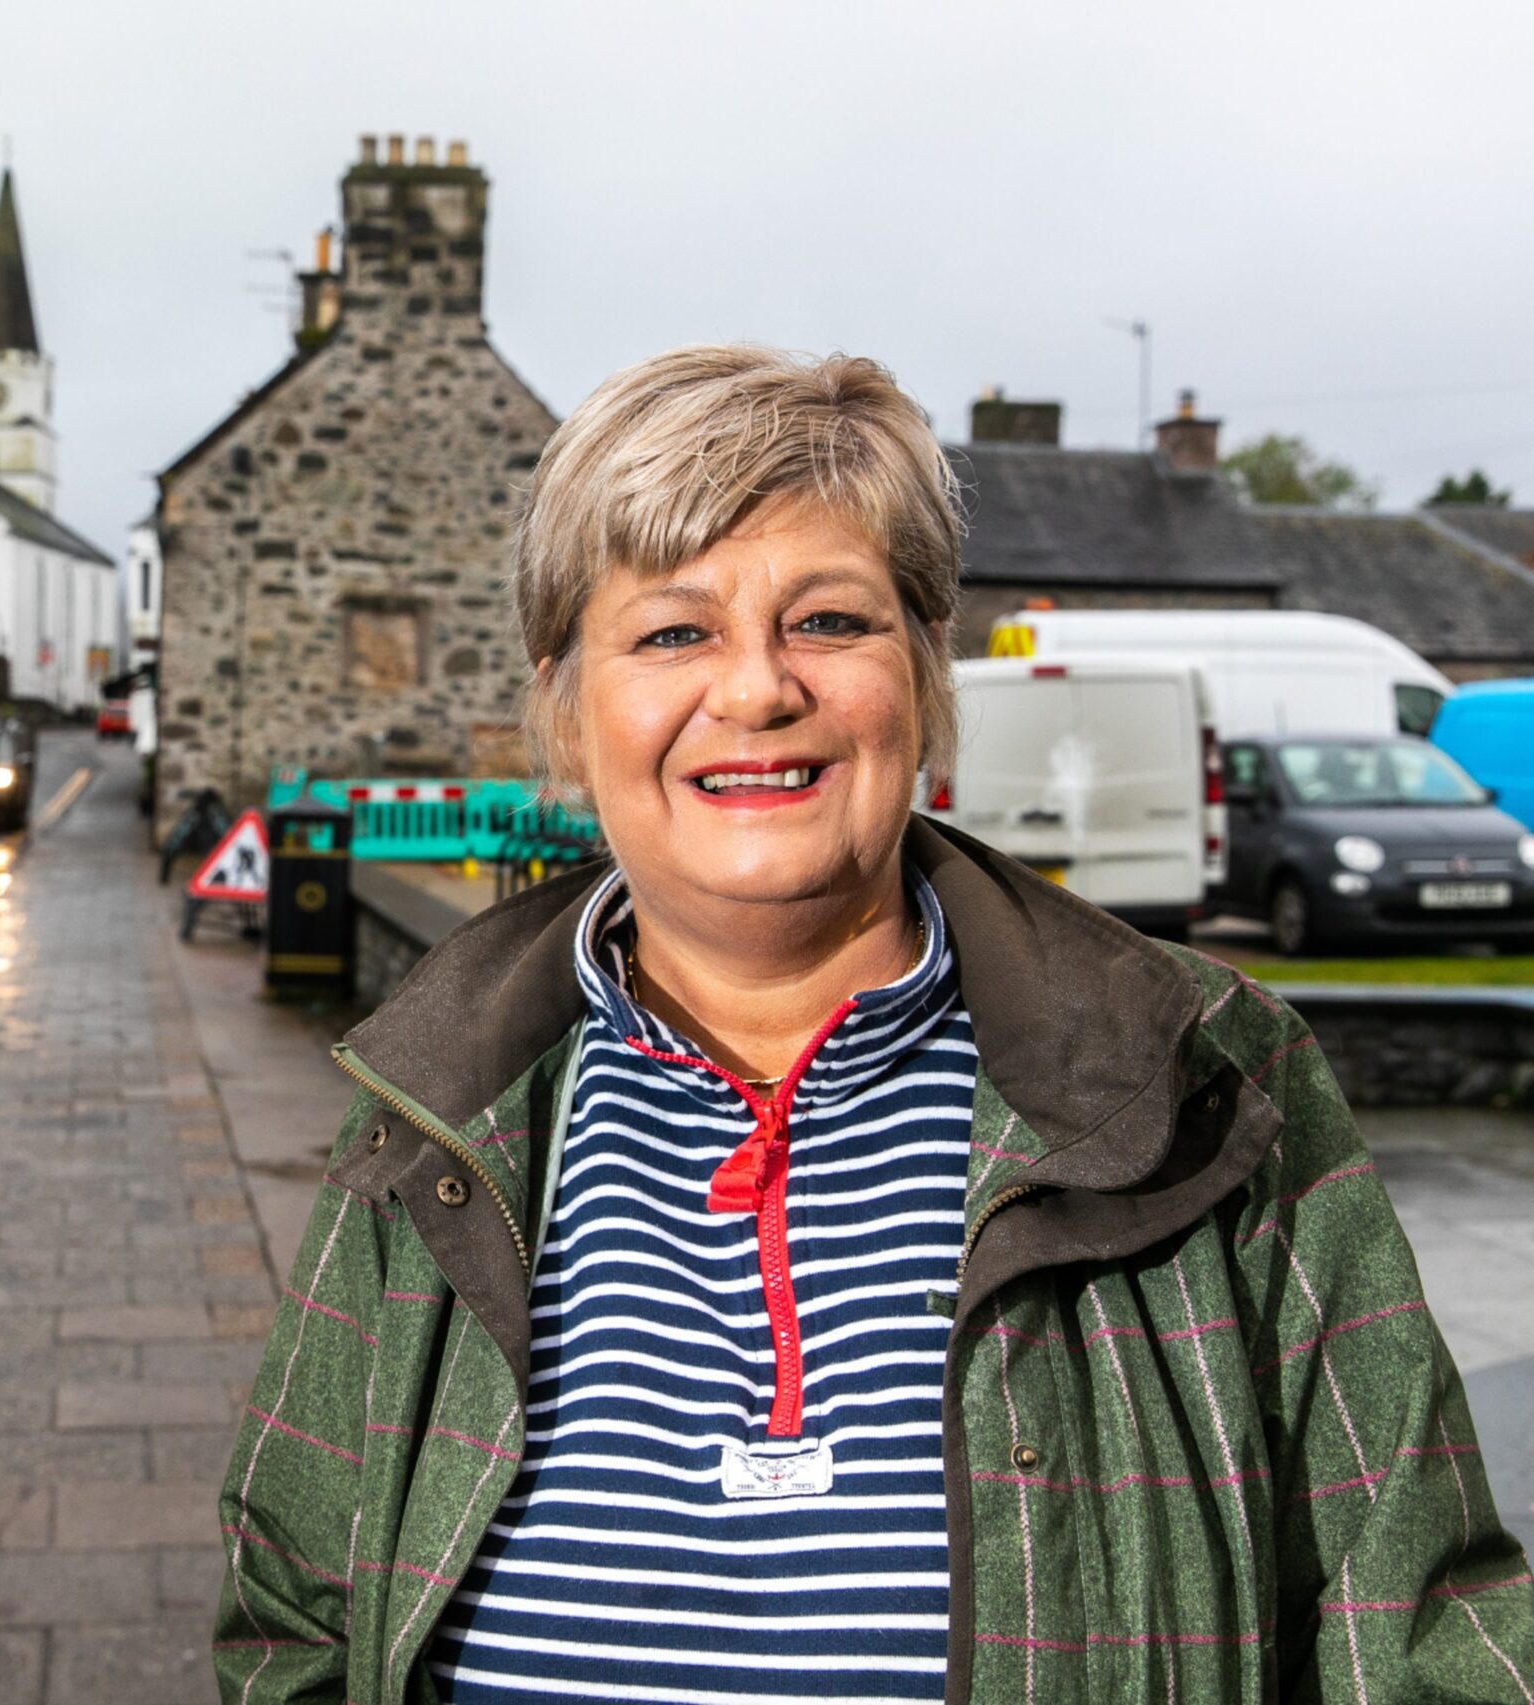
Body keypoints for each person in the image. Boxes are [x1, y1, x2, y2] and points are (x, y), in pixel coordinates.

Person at [212, 345, 1532, 1702]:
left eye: (828, 622)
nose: (755, 691)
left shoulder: (1205, 1079)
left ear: (925, 671)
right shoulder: (437, 1108)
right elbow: (294, 1612)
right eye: (673, 632)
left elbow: (1429, 1635)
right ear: (565, 701)